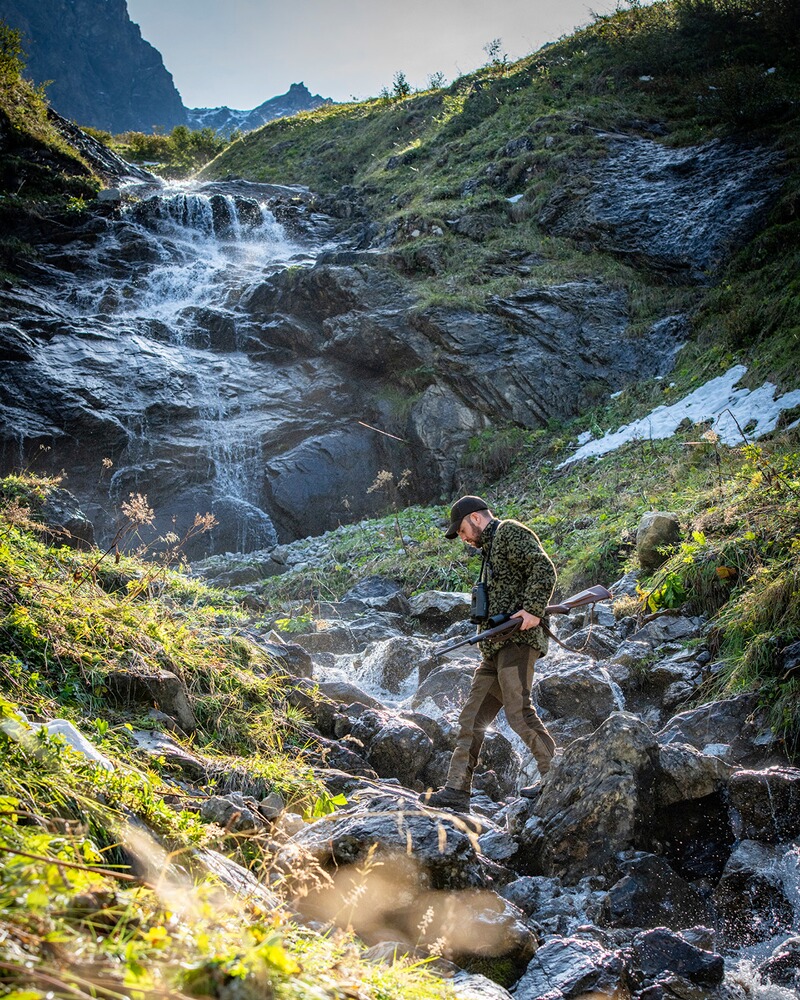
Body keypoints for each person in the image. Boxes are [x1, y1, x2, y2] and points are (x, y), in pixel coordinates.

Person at [422, 495, 557, 813]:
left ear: (475, 518)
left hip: (518, 643)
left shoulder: (509, 532)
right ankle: (456, 791)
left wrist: (533, 609)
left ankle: (556, 776)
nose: (463, 539)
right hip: (494, 650)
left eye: (463, 531)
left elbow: (543, 568)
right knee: (471, 719)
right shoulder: (488, 553)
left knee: (518, 714)